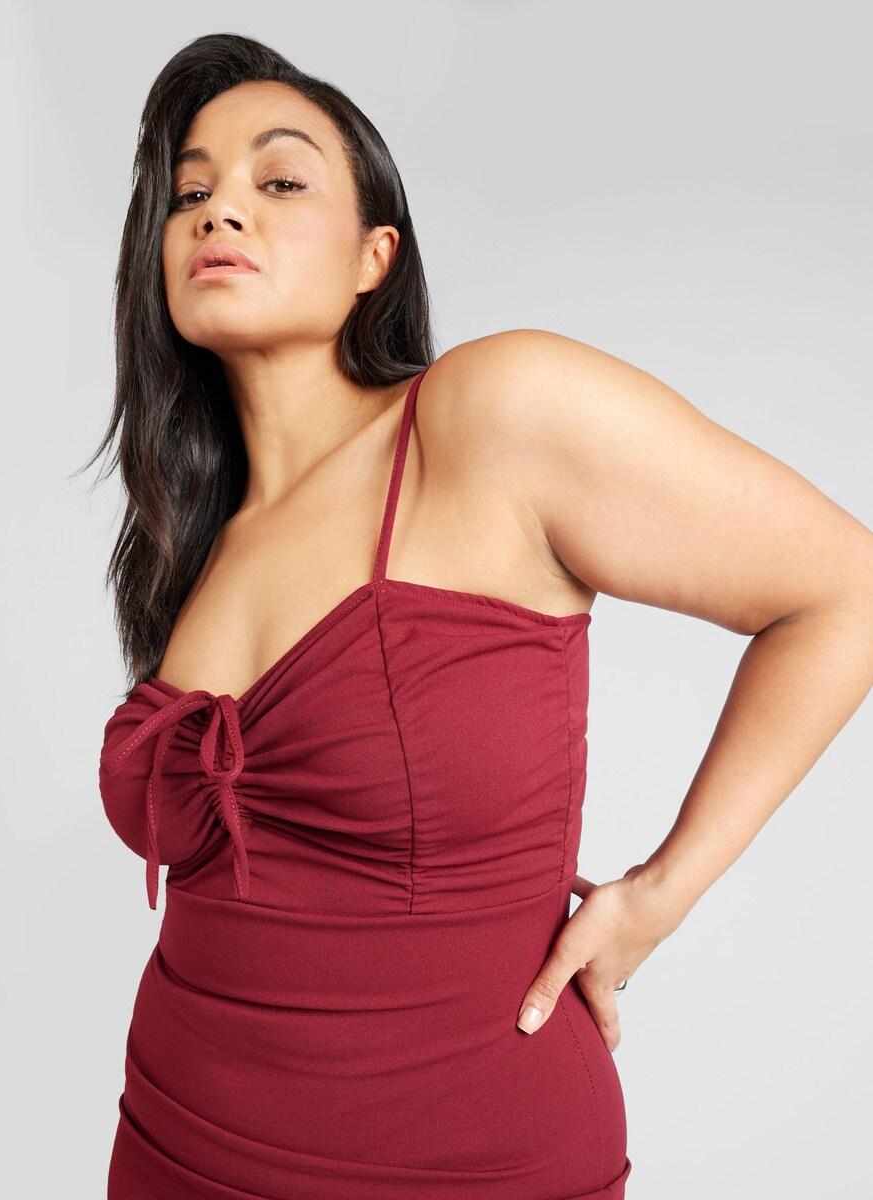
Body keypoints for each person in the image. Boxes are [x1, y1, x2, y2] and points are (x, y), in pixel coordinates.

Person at [92, 31, 873, 1200]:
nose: (221, 211)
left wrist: (657, 898)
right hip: (174, 1145)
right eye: (189, 194)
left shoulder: (490, 417)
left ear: (376, 255)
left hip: (470, 1161)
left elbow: (844, 587)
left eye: (281, 180)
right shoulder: (196, 539)